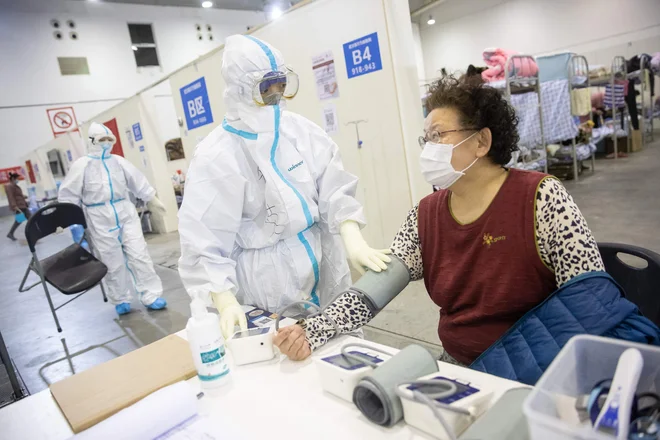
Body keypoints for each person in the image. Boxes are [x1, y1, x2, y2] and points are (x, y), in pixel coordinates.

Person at [273, 75, 660, 383]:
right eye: (425, 138)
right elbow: (372, 291)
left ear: (482, 142)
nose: (428, 147)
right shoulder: (425, 215)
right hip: (460, 371)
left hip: (542, 370)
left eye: (438, 135)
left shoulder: (541, 197)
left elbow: (590, 303)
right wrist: (315, 329)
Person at [178, 35, 390, 339]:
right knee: (287, 358)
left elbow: (335, 188)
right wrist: (223, 299)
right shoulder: (216, 155)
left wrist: (352, 238)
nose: (277, 95)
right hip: (267, 281)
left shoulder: (300, 131)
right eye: (266, 88)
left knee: (341, 345)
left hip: (323, 259)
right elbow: (203, 240)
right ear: (240, 89)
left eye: (281, 84)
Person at [59, 122, 168, 315]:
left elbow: (138, 181)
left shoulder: (118, 161)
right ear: (92, 141)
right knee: (111, 261)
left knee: (139, 255)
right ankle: (120, 298)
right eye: (102, 139)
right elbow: (69, 195)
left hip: (125, 211)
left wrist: (152, 199)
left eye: (110, 139)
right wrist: (68, 221)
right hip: (98, 216)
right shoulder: (82, 165)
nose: (106, 143)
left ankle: (151, 295)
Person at [5, 172, 30, 241]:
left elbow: (17, 195)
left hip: (22, 205)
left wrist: (23, 196)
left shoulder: (15, 186)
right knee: (28, 219)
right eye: (17, 179)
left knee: (21, 220)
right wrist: (14, 206)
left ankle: (10, 233)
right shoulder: (9, 186)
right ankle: (34, 232)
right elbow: (11, 197)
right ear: (13, 178)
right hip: (19, 207)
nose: (18, 180)